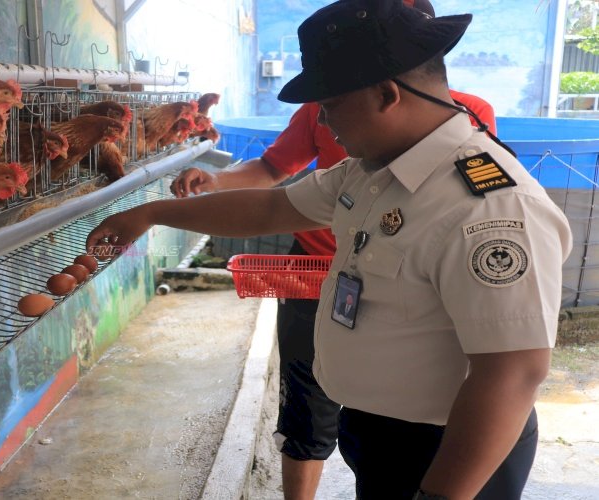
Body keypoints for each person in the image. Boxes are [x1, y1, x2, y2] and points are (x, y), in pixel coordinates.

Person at [87, 1, 572, 498]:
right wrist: (146, 215)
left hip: (452, 453)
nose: (322, 118)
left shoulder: (488, 208)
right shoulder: (374, 172)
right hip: (380, 434)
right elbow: (270, 210)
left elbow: (513, 372)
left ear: (387, 94)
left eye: (332, 103)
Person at [169, 2, 497, 498]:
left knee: (396, 420)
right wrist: (210, 185)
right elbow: (273, 187)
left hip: (400, 291)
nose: (328, 120)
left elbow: (509, 371)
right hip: (316, 278)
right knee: (310, 409)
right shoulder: (334, 121)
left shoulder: (470, 134)